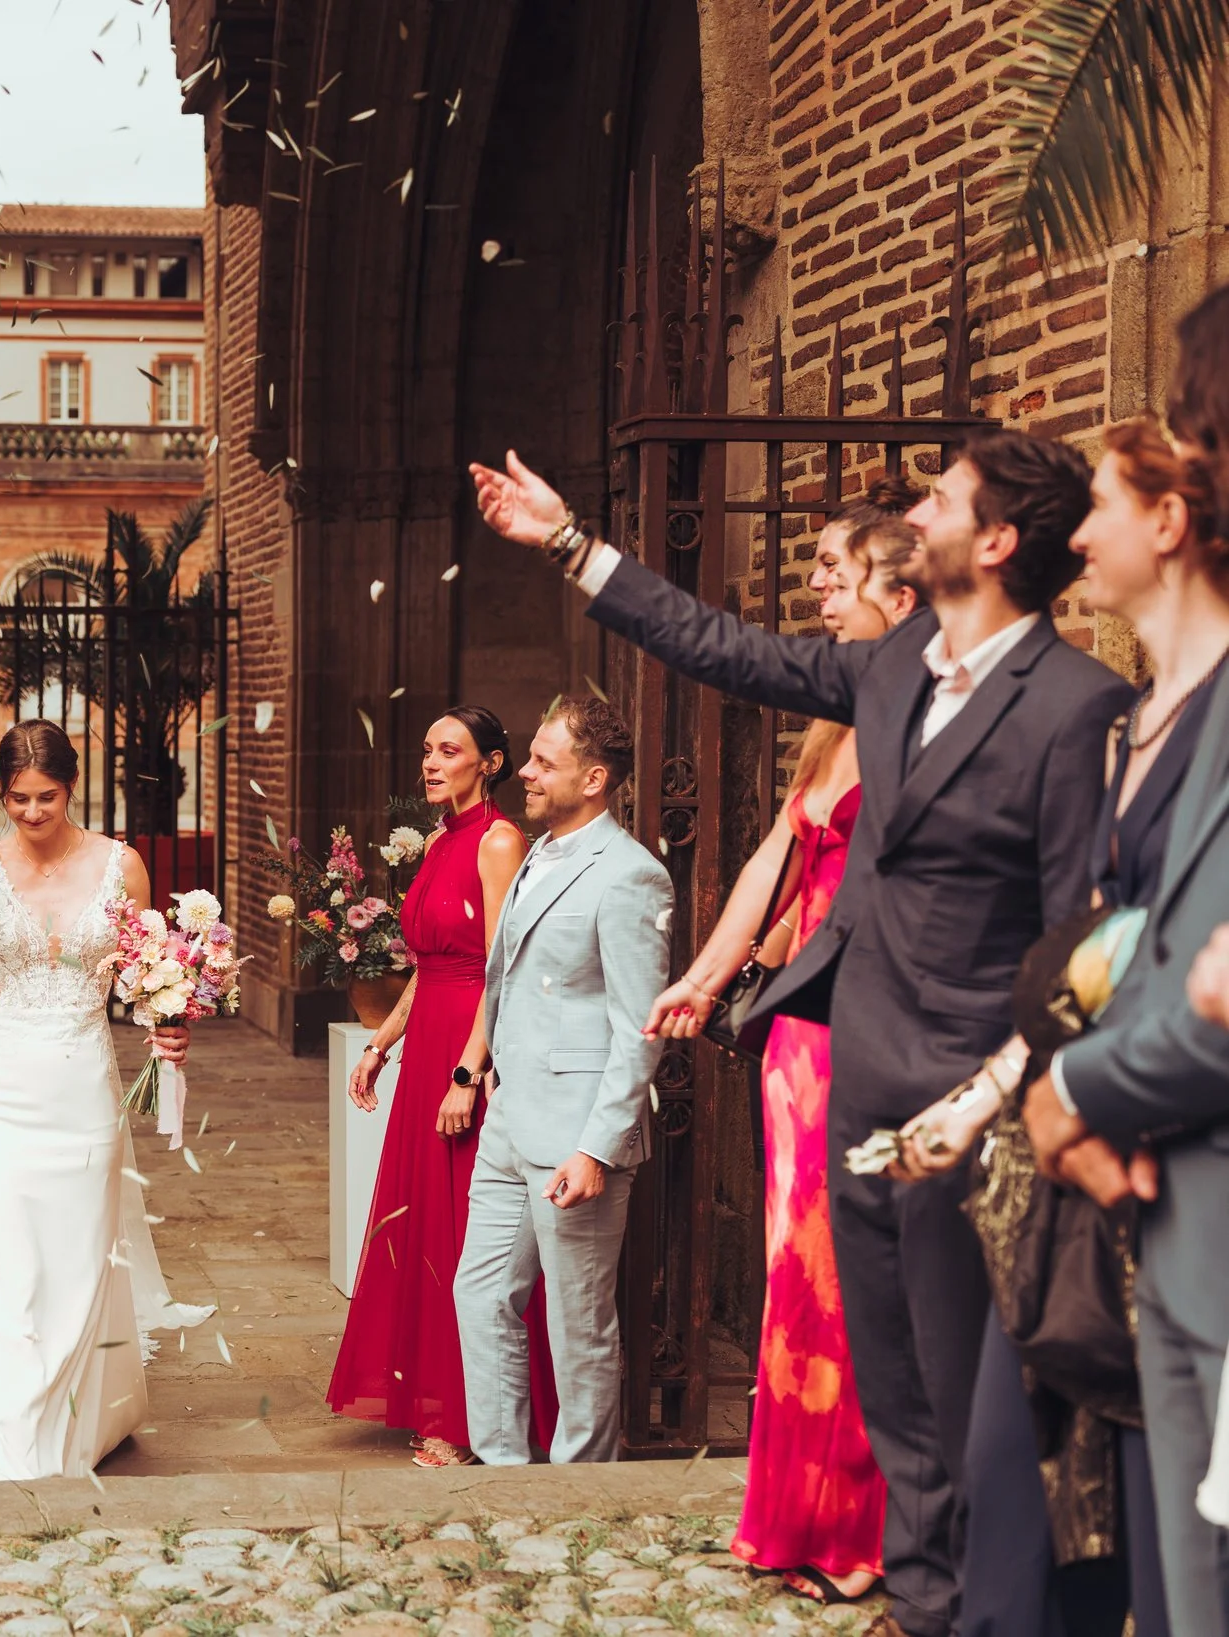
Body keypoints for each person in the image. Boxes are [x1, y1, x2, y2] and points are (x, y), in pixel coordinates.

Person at [473, 434, 1133, 1637]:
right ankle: (920, 1601)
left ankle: (983, 1608)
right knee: (891, 1381)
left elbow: (1081, 936)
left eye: (943, 498)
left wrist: (996, 1092)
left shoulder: (1080, 706)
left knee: (960, 1375)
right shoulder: (889, 672)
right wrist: (570, 544)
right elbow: (720, 644)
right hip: (861, 1073)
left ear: (991, 543)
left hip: (970, 1110)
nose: (915, 510)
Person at [997, 293, 1229, 1637]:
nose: (1078, 533)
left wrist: (1076, 1087)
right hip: (1176, 1224)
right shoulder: (1148, 722)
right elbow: (1149, 953)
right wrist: (1065, 1082)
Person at [644, 488, 922, 1602]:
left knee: (841, 1279)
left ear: (896, 590)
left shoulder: (919, 712)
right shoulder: (834, 718)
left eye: (829, 567)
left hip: (867, 1021)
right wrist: (705, 976)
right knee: (792, 1277)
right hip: (795, 1035)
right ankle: (796, 1518)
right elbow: (773, 856)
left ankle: (863, 1533)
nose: (811, 584)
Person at [0, 708, 204, 1481]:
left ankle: (73, 1417)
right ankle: (18, 1433)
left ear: (70, 789)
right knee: (9, 1264)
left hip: (84, 1090)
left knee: (79, 1261)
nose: (30, 812)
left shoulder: (121, 865)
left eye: (45, 797)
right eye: (18, 797)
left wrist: (169, 1021)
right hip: (0, 1095)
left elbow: (145, 967)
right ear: (1, 792)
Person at [329, 705, 559, 1469]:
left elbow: (502, 968)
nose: (430, 761)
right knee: (423, 1225)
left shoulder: (500, 842)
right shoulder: (436, 841)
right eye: (428, 749)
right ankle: (432, 1391)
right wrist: (380, 1044)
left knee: (470, 1236)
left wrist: (470, 1071)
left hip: (470, 1047)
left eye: (449, 750)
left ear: (489, 763)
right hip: (428, 1041)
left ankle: (469, 1418)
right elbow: (426, 967)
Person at [452, 693, 671, 1464]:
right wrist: (479, 1073)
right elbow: (502, 976)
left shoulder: (631, 875)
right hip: (511, 1119)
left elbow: (637, 1028)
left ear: (597, 777)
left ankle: (583, 1490)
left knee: (578, 1323)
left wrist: (598, 1148)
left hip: (578, 1134)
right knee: (479, 1295)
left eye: (547, 762)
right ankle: (506, 1477)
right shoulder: (535, 853)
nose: (529, 773)